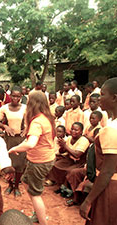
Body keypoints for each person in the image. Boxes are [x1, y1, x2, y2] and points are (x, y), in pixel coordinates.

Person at [8, 91, 56, 225]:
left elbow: (30, 143)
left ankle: (41, 221)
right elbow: (29, 140)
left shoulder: (37, 122)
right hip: (42, 158)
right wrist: (16, 148)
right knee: (25, 181)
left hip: (39, 162)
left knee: (35, 194)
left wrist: (15, 149)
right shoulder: (46, 118)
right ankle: (37, 212)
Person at [80, 77, 117, 224]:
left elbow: (108, 171)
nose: (99, 98)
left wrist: (88, 201)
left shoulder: (111, 130)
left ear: (114, 98)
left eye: (102, 94)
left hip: (110, 188)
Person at [0, 86, 27, 197]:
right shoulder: (4, 108)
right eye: (13, 96)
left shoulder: (25, 108)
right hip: (9, 139)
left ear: (21, 97)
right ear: (10, 96)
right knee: (8, 163)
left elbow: (31, 120)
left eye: (18, 96)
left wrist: (27, 128)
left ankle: (16, 186)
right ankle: (10, 185)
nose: (15, 98)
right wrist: (5, 127)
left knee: (19, 164)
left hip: (20, 139)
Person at [48, 122, 90, 188]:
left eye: (76, 130)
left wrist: (65, 145)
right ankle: (55, 181)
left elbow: (77, 155)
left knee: (69, 171)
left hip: (79, 162)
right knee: (56, 165)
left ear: (81, 131)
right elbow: (62, 151)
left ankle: (65, 187)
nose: (73, 131)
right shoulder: (70, 138)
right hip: (69, 159)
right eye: (72, 129)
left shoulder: (84, 140)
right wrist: (62, 145)